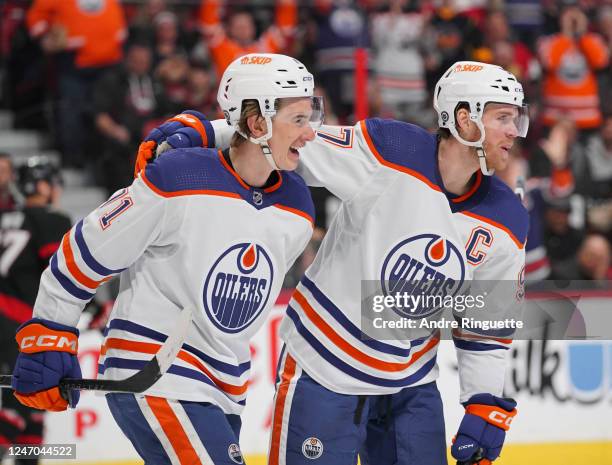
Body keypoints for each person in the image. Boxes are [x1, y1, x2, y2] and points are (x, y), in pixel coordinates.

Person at [153, 60, 529, 465]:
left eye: (515, 119)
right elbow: (291, 137)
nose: (514, 131)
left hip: (411, 384)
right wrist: (208, 131)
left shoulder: (507, 218)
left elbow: (487, 327)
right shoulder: (390, 150)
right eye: (503, 117)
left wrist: (481, 402)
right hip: (323, 369)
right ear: (464, 118)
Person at [10, 54, 323, 464]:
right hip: (155, 372)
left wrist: (202, 128)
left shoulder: (298, 205)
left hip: (225, 387)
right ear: (257, 122)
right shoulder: (177, 177)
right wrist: (51, 330)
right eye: (299, 119)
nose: (312, 134)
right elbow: (84, 250)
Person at [0, 157, 71, 464]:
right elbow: (61, 274)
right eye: (53, 185)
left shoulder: (6, 217)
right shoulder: (51, 220)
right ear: (42, 186)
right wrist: (96, 307)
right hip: (18, 326)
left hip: (7, 319)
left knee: (30, 410)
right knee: (16, 407)